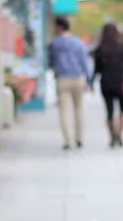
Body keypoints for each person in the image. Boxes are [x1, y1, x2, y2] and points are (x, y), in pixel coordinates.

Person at [48, 16, 92, 150]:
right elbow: (84, 61)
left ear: (59, 27)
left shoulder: (54, 44)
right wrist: (89, 80)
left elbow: (50, 62)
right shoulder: (77, 43)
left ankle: (67, 141)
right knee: (79, 109)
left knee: (63, 111)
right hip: (78, 78)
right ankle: (79, 139)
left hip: (62, 79)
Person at [92, 23, 123, 147]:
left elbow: (97, 69)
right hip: (120, 82)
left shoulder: (99, 49)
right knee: (122, 110)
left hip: (106, 83)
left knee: (109, 111)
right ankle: (120, 134)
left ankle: (112, 136)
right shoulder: (121, 46)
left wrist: (90, 82)